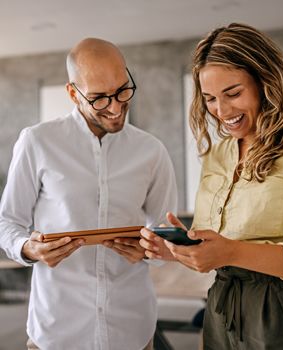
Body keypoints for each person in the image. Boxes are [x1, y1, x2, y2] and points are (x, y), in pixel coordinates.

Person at [140, 23, 283, 349]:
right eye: (209, 98)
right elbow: (217, 241)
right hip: (223, 309)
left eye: (233, 93)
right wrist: (176, 251)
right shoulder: (218, 154)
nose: (221, 111)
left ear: (266, 82)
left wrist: (233, 252)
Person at [0, 38, 177, 350]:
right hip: (56, 332)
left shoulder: (152, 151)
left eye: (123, 90)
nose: (115, 106)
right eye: (98, 98)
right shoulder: (37, 142)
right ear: (73, 93)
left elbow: (167, 232)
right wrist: (28, 248)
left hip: (133, 332)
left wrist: (153, 250)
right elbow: (7, 223)